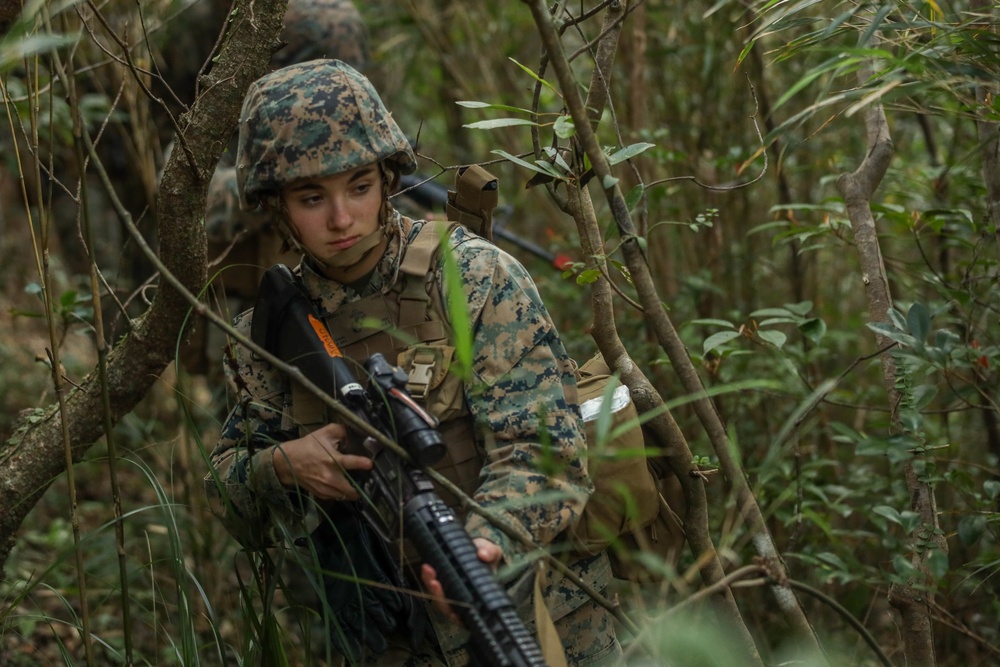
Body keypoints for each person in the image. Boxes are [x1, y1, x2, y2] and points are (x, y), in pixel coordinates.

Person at [204, 58, 623, 666]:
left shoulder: (474, 278)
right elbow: (228, 500)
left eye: (359, 187)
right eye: (312, 197)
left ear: (387, 178)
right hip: (385, 642)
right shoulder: (263, 336)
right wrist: (281, 466)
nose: (342, 218)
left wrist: (483, 546)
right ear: (276, 206)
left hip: (535, 616)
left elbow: (547, 454)